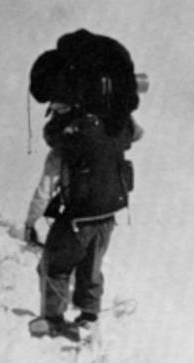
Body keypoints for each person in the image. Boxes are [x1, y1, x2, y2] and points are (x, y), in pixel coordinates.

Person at [25, 103, 143, 339]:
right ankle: (89, 318)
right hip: (107, 217)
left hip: (77, 219)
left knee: (55, 265)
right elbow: (137, 132)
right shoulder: (111, 136)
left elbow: (45, 191)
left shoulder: (64, 148)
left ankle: (53, 320)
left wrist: (31, 222)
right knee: (92, 266)